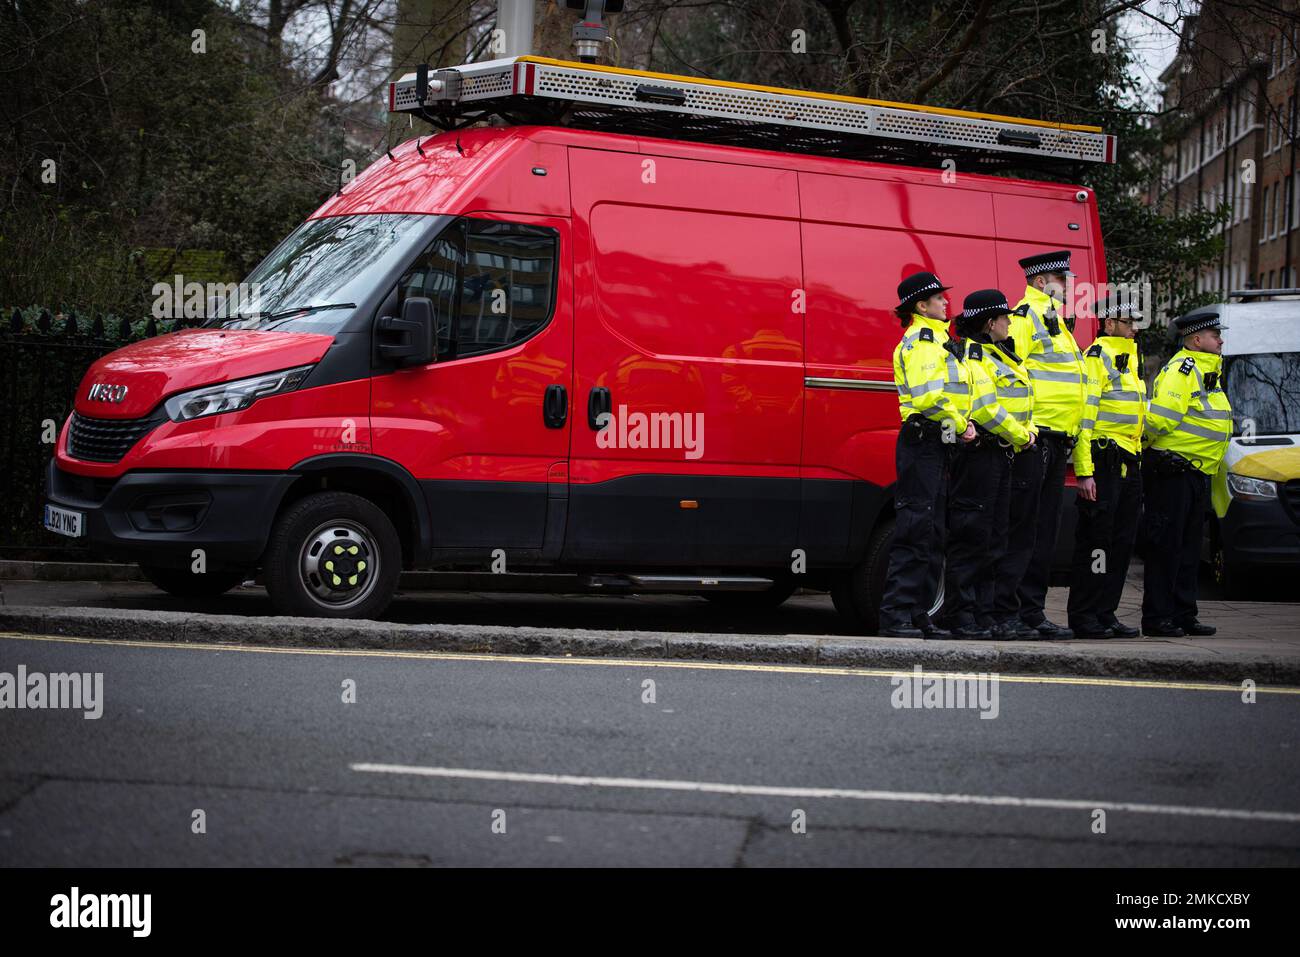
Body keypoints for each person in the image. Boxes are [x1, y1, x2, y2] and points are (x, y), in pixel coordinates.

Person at [877, 271, 975, 639]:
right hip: (924, 441)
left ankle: (918, 613)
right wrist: (961, 422)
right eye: (939, 298)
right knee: (915, 529)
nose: (946, 303)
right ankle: (896, 614)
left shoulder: (937, 341)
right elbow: (928, 397)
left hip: (938, 443)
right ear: (922, 305)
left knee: (933, 531)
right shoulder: (920, 343)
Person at [996, 250, 1087, 639]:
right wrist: (1023, 431)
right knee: (1023, 531)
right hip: (1035, 440)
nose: (1068, 285)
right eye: (1061, 279)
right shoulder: (1026, 317)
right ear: (1039, 282)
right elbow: (1006, 373)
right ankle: (1008, 612)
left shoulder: (1056, 321)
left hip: (1056, 440)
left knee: (1043, 532)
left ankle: (1031, 612)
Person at [937, 290, 1037, 639]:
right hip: (979, 455)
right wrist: (1021, 435)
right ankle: (960, 616)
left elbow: (1025, 400)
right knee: (971, 536)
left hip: (1000, 454)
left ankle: (984, 614)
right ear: (991, 322)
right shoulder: (973, 355)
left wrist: (1028, 430)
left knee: (994, 538)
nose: (1010, 323)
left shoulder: (1002, 357)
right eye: (1005, 318)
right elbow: (985, 408)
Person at [1141, 307, 1233, 637]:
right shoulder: (1184, 368)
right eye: (1214, 335)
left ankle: (1183, 613)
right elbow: (1161, 418)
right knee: (1167, 546)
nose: (1220, 340)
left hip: (1194, 473)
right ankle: (1158, 617)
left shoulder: (1209, 371)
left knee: (1189, 549)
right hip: (1173, 471)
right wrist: (1151, 450)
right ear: (1196, 340)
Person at [1066, 301, 1146, 639]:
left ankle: (1106, 612)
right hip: (1103, 461)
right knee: (1096, 544)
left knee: (1120, 543)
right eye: (1128, 322)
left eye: (1136, 322)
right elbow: (1085, 418)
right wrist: (1084, 471)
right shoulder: (1098, 356)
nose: (1135, 328)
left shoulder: (1129, 358)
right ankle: (1085, 615)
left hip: (1128, 460)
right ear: (1109, 323)